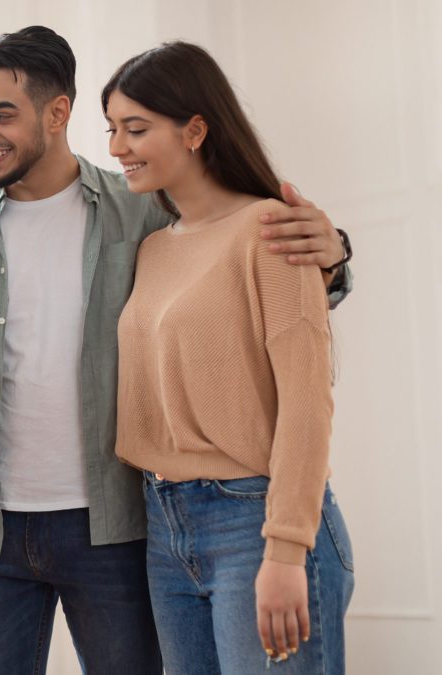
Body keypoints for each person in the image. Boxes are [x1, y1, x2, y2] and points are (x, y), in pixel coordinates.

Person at [0, 26, 352, 675]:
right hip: (59, 525)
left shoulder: (143, 212)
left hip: (153, 521)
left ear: (56, 112)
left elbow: (298, 366)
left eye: (1, 114)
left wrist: (334, 255)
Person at [106, 41, 354, 673]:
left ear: (195, 129)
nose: (117, 148)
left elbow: (305, 398)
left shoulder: (270, 229)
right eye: (111, 129)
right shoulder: (153, 251)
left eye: (136, 129)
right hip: (164, 525)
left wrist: (286, 548)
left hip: (255, 521)